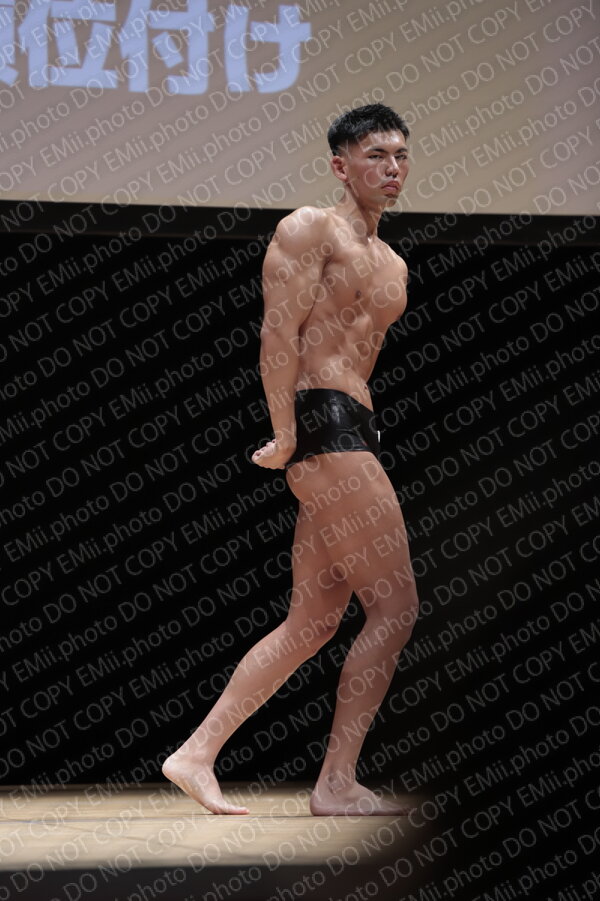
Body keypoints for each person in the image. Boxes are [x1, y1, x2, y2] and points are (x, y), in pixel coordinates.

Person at [162, 103, 419, 815]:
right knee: (395, 607)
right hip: (321, 423)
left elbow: (363, 353)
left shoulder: (394, 262)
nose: (392, 168)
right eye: (375, 155)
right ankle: (336, 782)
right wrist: (284, 432)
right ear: (341, 164)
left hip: (354, 425)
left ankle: (196, 753)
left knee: (313, 621)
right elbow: (278, 336)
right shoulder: (310, 228)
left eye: (400, 155)